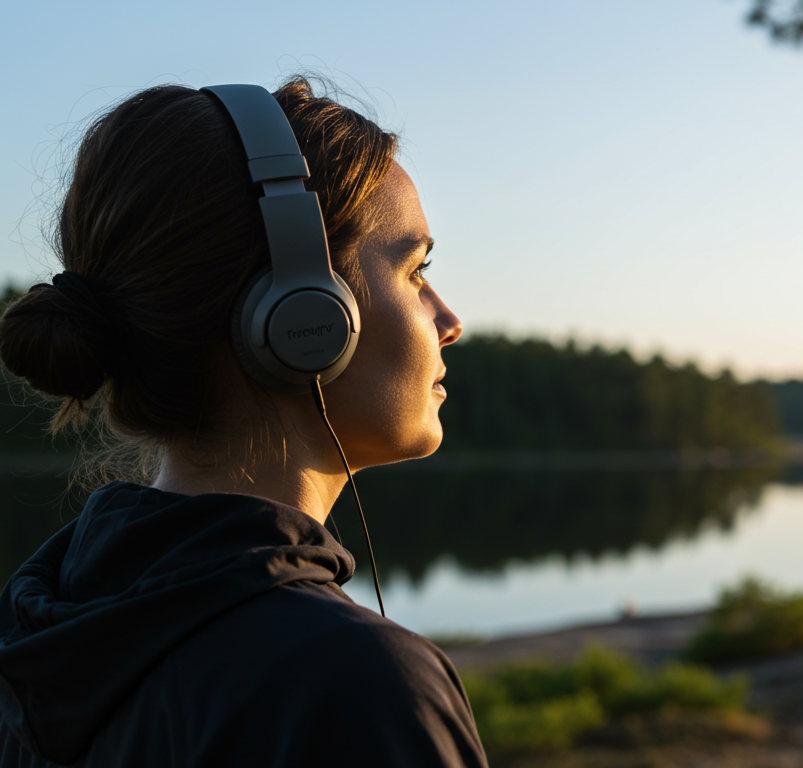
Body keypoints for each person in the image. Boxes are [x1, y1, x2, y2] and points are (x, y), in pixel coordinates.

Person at [0, 77, 489, 767]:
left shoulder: (38, 637)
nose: (450, 321)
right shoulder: (353, 688)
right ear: (302, 317)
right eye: (415, 270)